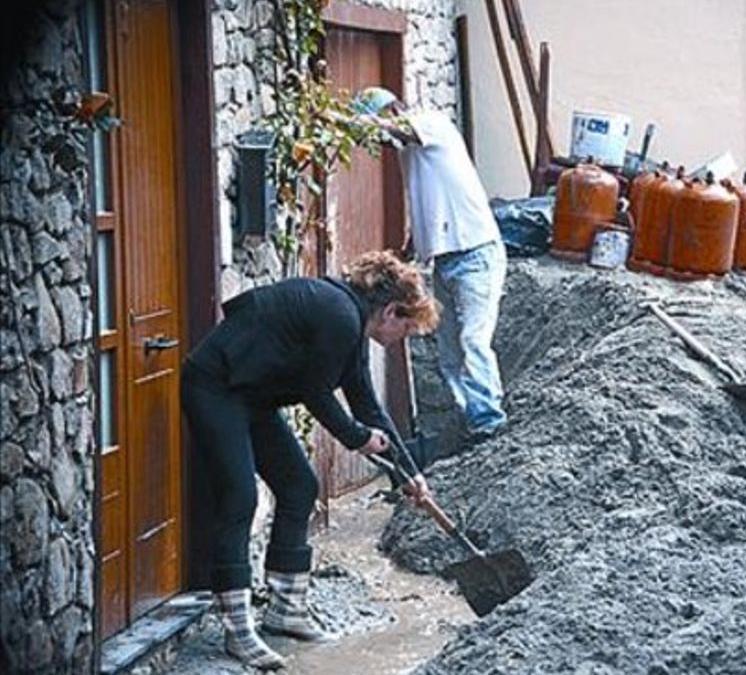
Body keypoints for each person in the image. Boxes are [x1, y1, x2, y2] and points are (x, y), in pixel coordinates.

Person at [181, 251, 438, 669]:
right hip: (215, 387)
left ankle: (286, 611)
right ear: (390, 311)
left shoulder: (349, 321)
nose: (400, 339)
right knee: (239, 498)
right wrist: (357, 439)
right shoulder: (339, 316)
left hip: (252, 396)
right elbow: (316, 393)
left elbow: (367, 404)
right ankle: (238, 631)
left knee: (299, 486)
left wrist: (410, 475)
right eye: (406, 329)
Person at [354, 87, 510, 446]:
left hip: (476, 253)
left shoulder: (431, 124)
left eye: (382, 123)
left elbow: (402, 129)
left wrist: (353, 121)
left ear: (393, 109)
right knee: (451, 351)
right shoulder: (408, 152)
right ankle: (469, 422)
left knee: (473, 339)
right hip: (447, 259)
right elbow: (429, 194)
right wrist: (416, 243)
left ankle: (489, 422)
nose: (380, 136)